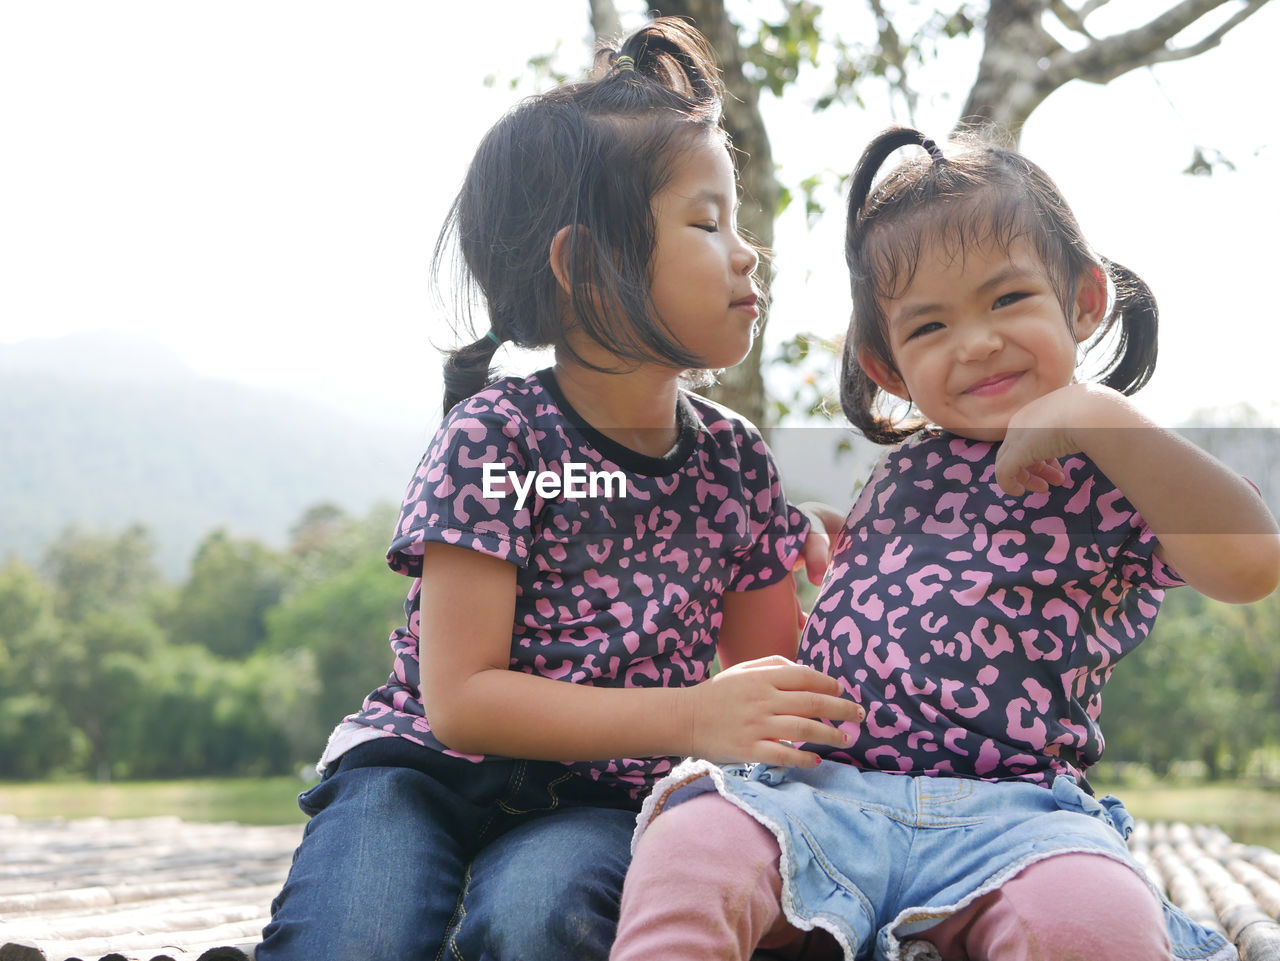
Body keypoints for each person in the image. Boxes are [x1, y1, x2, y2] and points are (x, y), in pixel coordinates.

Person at [254, 18, 863, 961]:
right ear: (583, 266)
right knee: (353, 937)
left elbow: (764, 700)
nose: (749, 255)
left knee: (540, 918)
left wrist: (846, 569)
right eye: (707, 224)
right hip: (420, 771)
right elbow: (460, 698)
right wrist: (690, 712)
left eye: (737, 224)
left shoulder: (739, 469)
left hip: (597, 800)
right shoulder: (498, 437)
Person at [610, 126, 1280, 961]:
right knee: (692, 843)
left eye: (1008, 301)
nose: (975, 342)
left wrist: (1099, 416)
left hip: (1017, 820)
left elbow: (1252, 560)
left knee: (1092, 919)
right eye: (928, 327)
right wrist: (830, 540)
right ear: (887, 367)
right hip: (823, 797)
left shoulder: (1114, 461)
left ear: (1084, 300)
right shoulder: (901, 472)